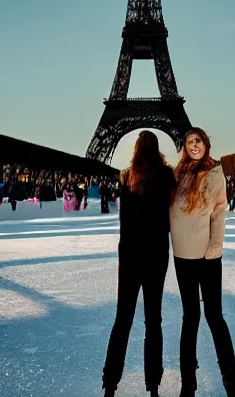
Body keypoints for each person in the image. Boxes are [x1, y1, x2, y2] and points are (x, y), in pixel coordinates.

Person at [171, 128, 235, 397]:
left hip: (207, 257)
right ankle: (187, 381)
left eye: (198, 140)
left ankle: (231, 379)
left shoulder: (214, 174)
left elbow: (219, 213)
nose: (194, 145)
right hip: (182, 256)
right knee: (190, 318)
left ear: (206, 144)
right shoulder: (176, 176)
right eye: (190, 141)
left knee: (214, 317)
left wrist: (215, 249)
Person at [101, 130, 175, 397]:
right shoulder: (167, 176)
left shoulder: (124, 177)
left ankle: (110, 384)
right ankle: (153, 385)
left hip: (130, 257)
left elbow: (124, 223)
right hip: (156, 255)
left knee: (123, 319)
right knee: (153, 321)